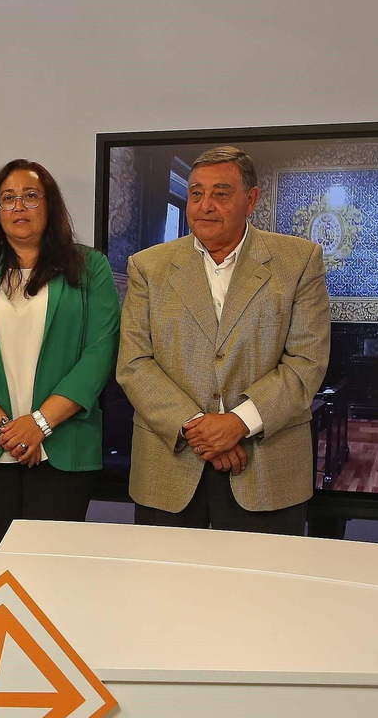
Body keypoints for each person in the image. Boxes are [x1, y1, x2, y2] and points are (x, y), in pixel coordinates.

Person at [117, 146, 330, 534]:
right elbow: (134, 364)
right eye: (196, 193)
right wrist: (201, 428)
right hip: (169, 468)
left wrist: (237, 424)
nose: (205, 205)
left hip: (266, 472)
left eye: (221, 193)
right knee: (163, 594)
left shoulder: (299, 261)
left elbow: (306, 362)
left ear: (250, 200)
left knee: (261, 593)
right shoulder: (148, 266)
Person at [0, 159, 119, 552]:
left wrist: (39, 423)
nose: (19, 207)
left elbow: (100, 351)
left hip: (63, 448)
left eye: (30, 196)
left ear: (50, 205)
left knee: (50, 581)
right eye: (8, 198)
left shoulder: (90, 268)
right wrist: (3, 428)